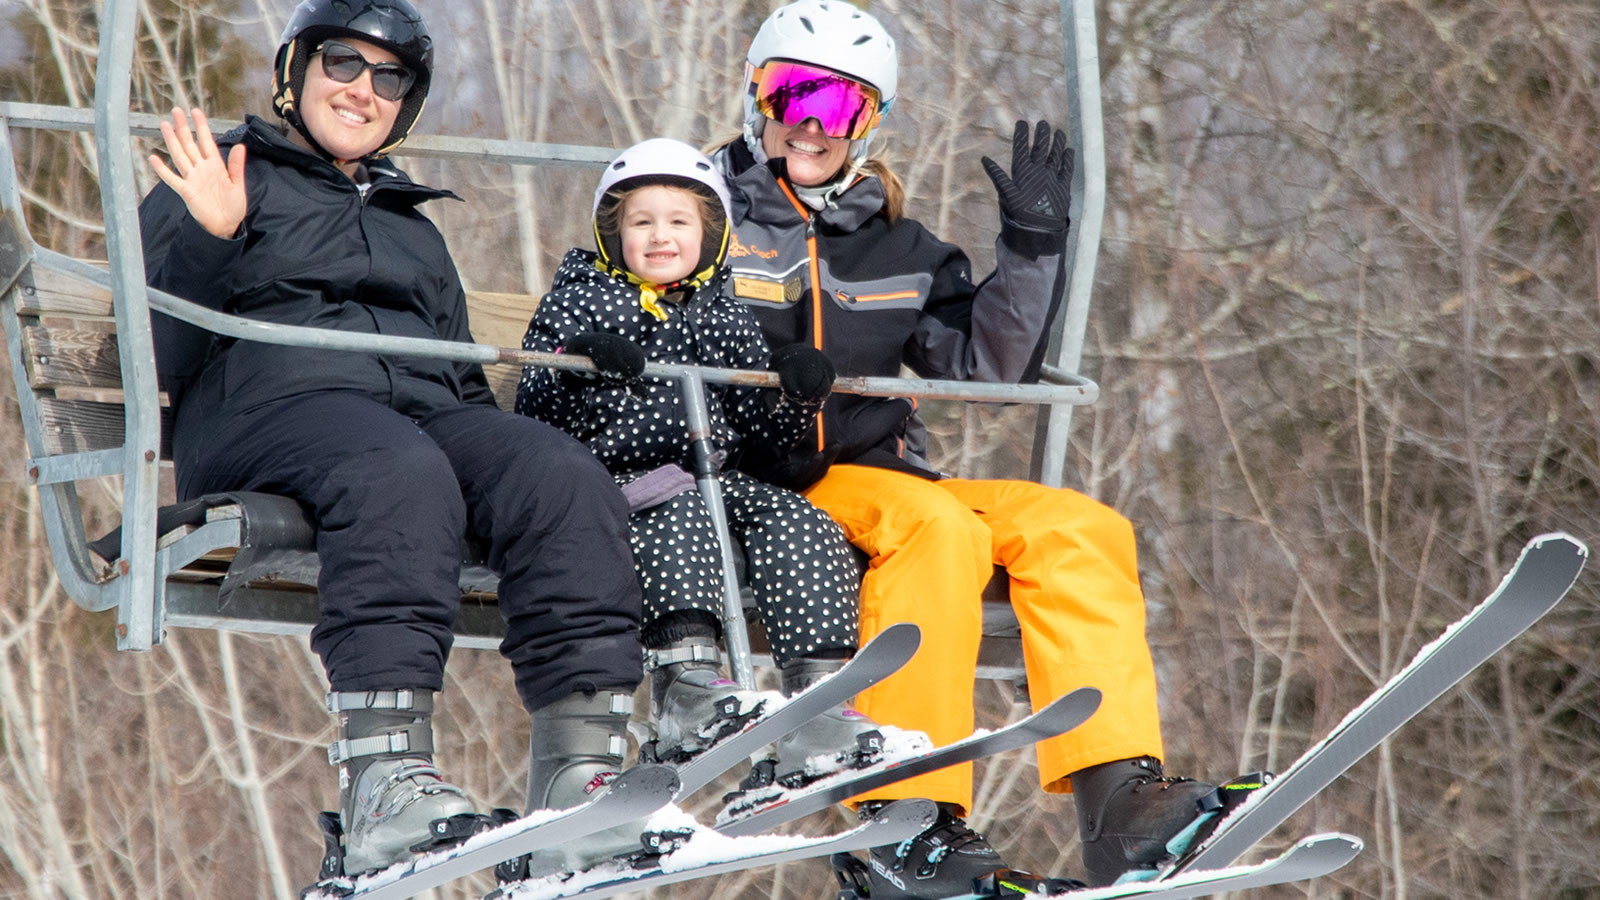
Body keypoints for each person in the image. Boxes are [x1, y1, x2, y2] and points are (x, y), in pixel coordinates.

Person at [710, 1, 1226, 892]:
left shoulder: (903, 249)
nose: (807, 123)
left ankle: (1119, 798)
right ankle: (906, 820)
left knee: (1079, 525)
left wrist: (1030, 246)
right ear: (754, 97)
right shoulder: (700, 215)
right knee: (936, 530)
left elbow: (986, 360)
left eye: (837, 107)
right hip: (763, 480)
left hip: (877, 475)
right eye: (789, 92)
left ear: (870, 123)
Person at [138, 0, 645, 879]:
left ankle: (581, 766)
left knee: (559, 475)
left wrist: (505, 456)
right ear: (295, 71)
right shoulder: (219, 177)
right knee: (399, 468)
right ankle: (383, 775)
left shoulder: (411, 222)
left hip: (404, 420)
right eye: (341, 63)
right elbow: (161, 350)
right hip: (268, 411)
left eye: (389, 77)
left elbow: (451, 374)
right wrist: (212, 237)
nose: (362, 90)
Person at [515, 138, 922, 797]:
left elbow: (769, 437)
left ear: (710, 234)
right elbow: (535, 413)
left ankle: (814, 700)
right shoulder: (581, 300)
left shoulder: (723, 310)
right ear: (611, 232)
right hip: (614, 480)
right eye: (640, 222)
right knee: (674, 503)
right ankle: (685, 687)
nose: (660, 237)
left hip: (715, 477)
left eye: (679, 223)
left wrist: (796, 394)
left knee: (796, 517)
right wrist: (580, 366)